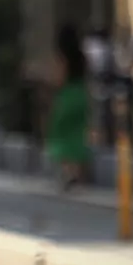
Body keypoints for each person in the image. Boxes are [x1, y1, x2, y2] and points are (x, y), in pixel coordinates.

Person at [46, 25, 90, 190]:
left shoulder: (63, 58)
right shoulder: (82, 57)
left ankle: (68, 172)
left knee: (60, 134)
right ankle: (78, 172)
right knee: (77, 134)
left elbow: (59, 79)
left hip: (67, 97)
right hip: (81, 95)